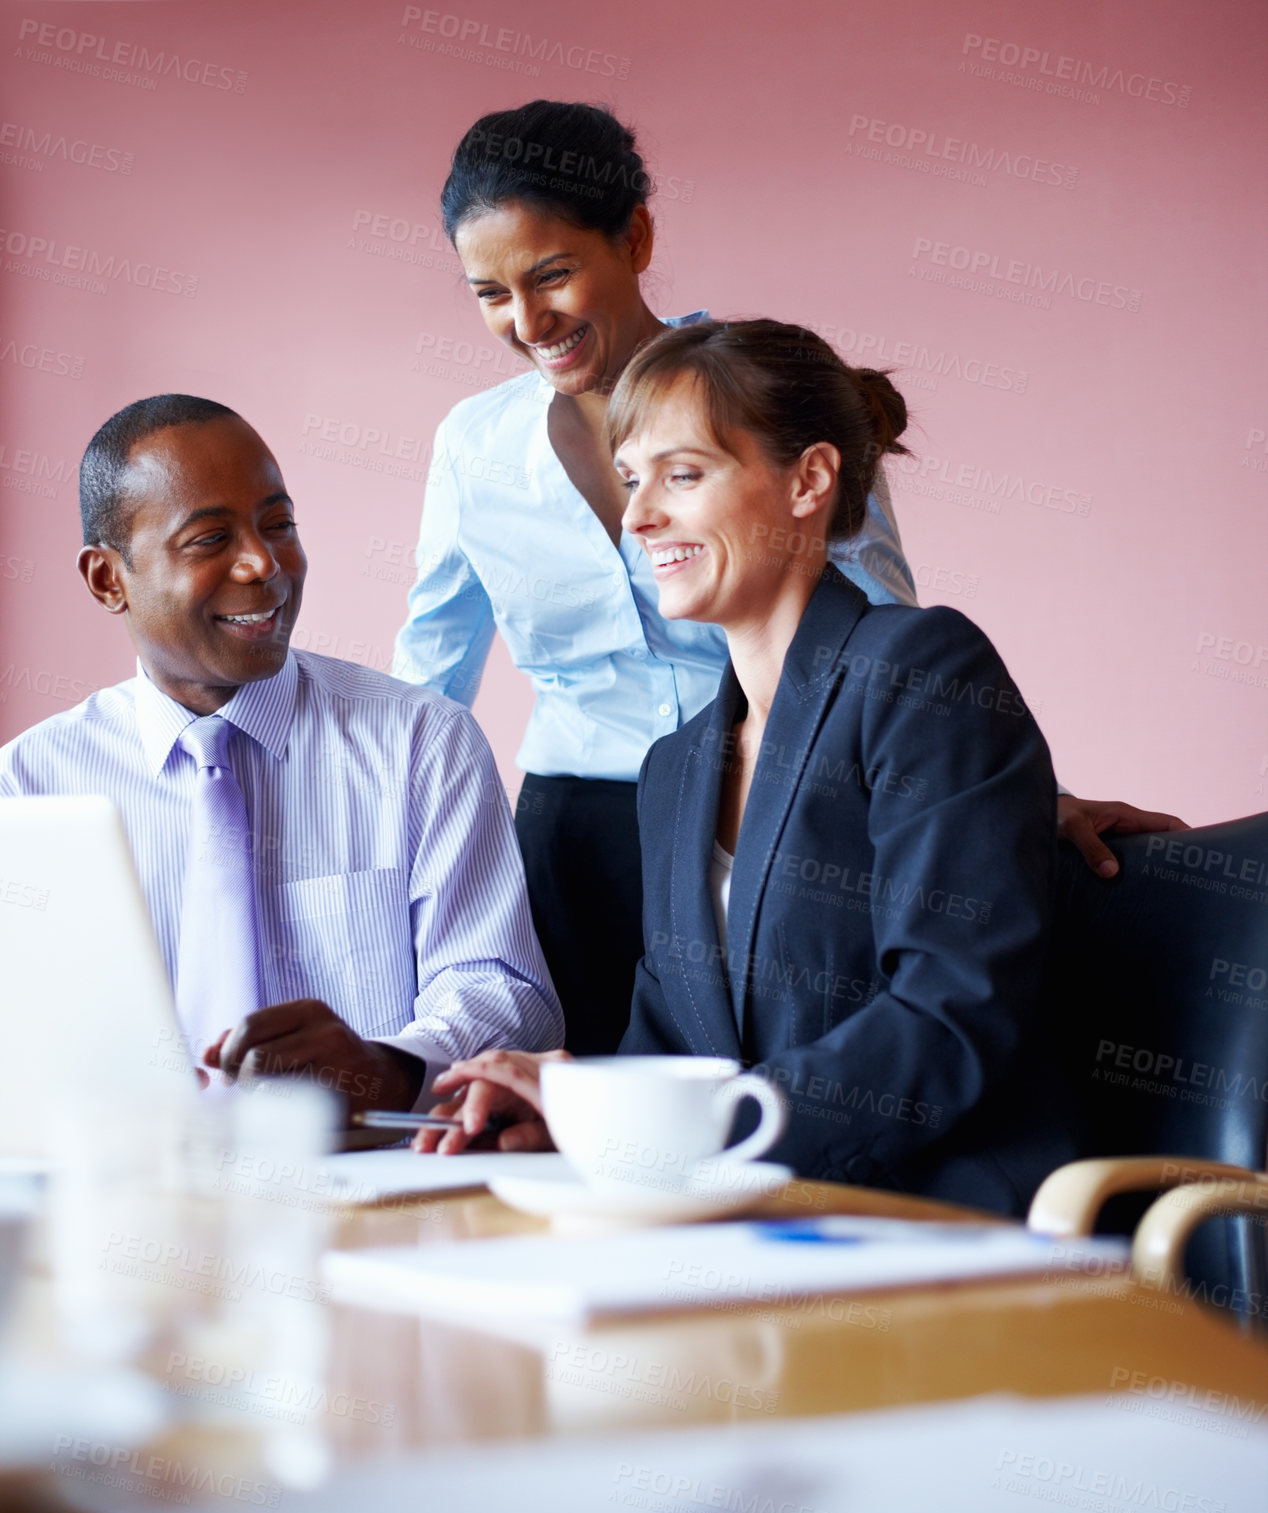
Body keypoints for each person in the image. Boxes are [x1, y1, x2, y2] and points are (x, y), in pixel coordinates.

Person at [394, 99, 1185, 1058]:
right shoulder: (474, 446)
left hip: (791, 797)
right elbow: (428, 675)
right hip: (584, 825)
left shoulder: (761, 389)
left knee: (806, 1061)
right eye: (489, 293)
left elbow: (888, 640)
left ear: (635, 236)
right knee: (624, 1098)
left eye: (552, 274)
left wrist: (993, 800)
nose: (527, 320)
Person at [415, 321, 1076, 1215]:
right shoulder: (676, 769)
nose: (640, 516)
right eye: (634, 480)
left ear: (809, 481)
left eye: (682, 475)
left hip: (933, 1219)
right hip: (751, 1223)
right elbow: (671, 1047)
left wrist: (708, 1128)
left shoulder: (919, 671)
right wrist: (573, 1110)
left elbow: (952, 1008)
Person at [0, 395, 562, 1113]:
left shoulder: (422, 743)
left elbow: (506, 992)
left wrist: (386, 1067)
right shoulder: (28, 791)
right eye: (209, 540)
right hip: (134, 1194)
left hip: (382, 1191)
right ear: (109, 578)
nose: (264, 562)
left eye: (279, 524)